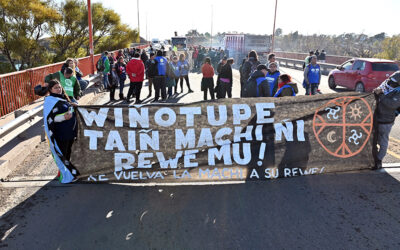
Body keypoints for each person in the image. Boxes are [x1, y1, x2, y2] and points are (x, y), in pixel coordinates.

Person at [42, 79, 79, 183]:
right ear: (50, 90)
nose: (58, 89)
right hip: (60, 133)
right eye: (55, 88)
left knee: (68, 154)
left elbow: (68, 110)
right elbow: (50, 119)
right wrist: (63, 117)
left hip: (69, 132)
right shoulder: (50, 101)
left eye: (59, 87)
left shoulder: (63, 98)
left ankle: (63, 172)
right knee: (62, 153)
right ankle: (66, 176)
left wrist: (73, 106)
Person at [373, 71, 400, 169]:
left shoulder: (398, 92)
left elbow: (392, 104)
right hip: (376, 118)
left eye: (393, 82)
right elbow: (377, 92)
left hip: (386, 121)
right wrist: (376, 92)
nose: (390, 83)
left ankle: (379, 160)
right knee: (373, 140)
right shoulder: (386, 85)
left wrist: (381, 95)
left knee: (383, 141)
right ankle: (373, 158)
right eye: (390, 81)